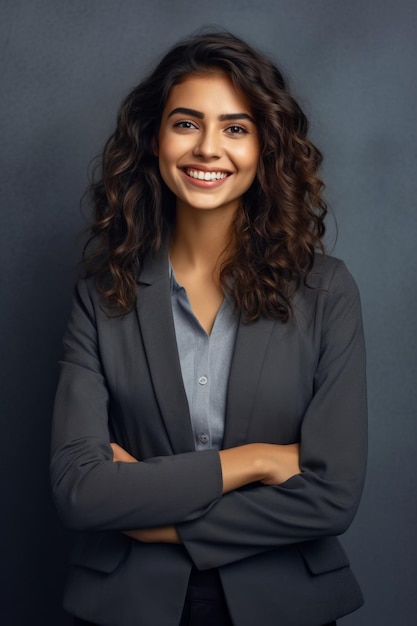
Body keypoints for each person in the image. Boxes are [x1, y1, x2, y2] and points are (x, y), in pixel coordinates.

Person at [50, 31, 367, 626]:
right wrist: (253, 462)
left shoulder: (326, 291)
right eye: (187, 123)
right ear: (155, 138)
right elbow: (79, 489)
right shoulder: (100, 293)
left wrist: (155, 519)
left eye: (236, 128)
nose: (209, 149)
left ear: (264, 148)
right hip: (126, 607)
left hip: (286, 603)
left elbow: (332, 496)